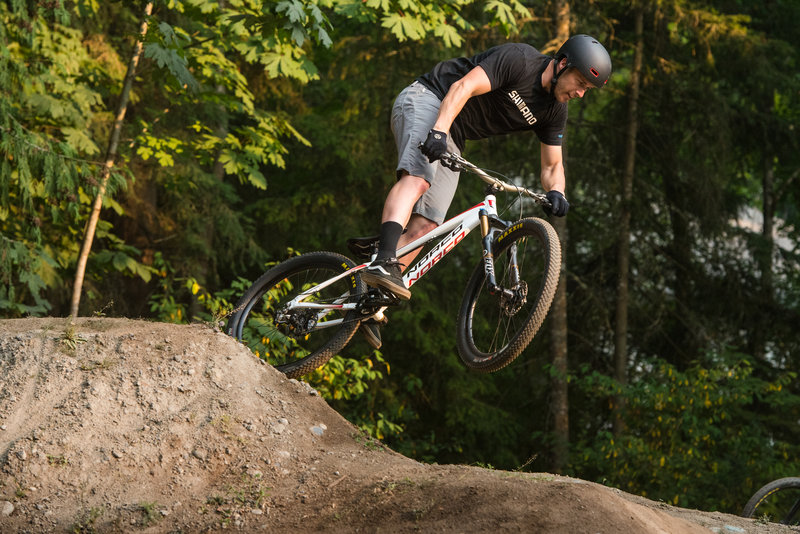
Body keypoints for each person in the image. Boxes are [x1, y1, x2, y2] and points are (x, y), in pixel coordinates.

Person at [359, 35, 612, 347]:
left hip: (454, 133)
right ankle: (383, 260)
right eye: (580, 82)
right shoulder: (519, 60)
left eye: (587, 89)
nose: (580, 93)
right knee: (420, 179)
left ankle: (370, 298)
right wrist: (438, 131)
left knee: (427, 224)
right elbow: (462, 87)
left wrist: (557, 191)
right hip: (430, 100)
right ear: (562, 64)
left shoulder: (554, 111)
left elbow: (551, 166)